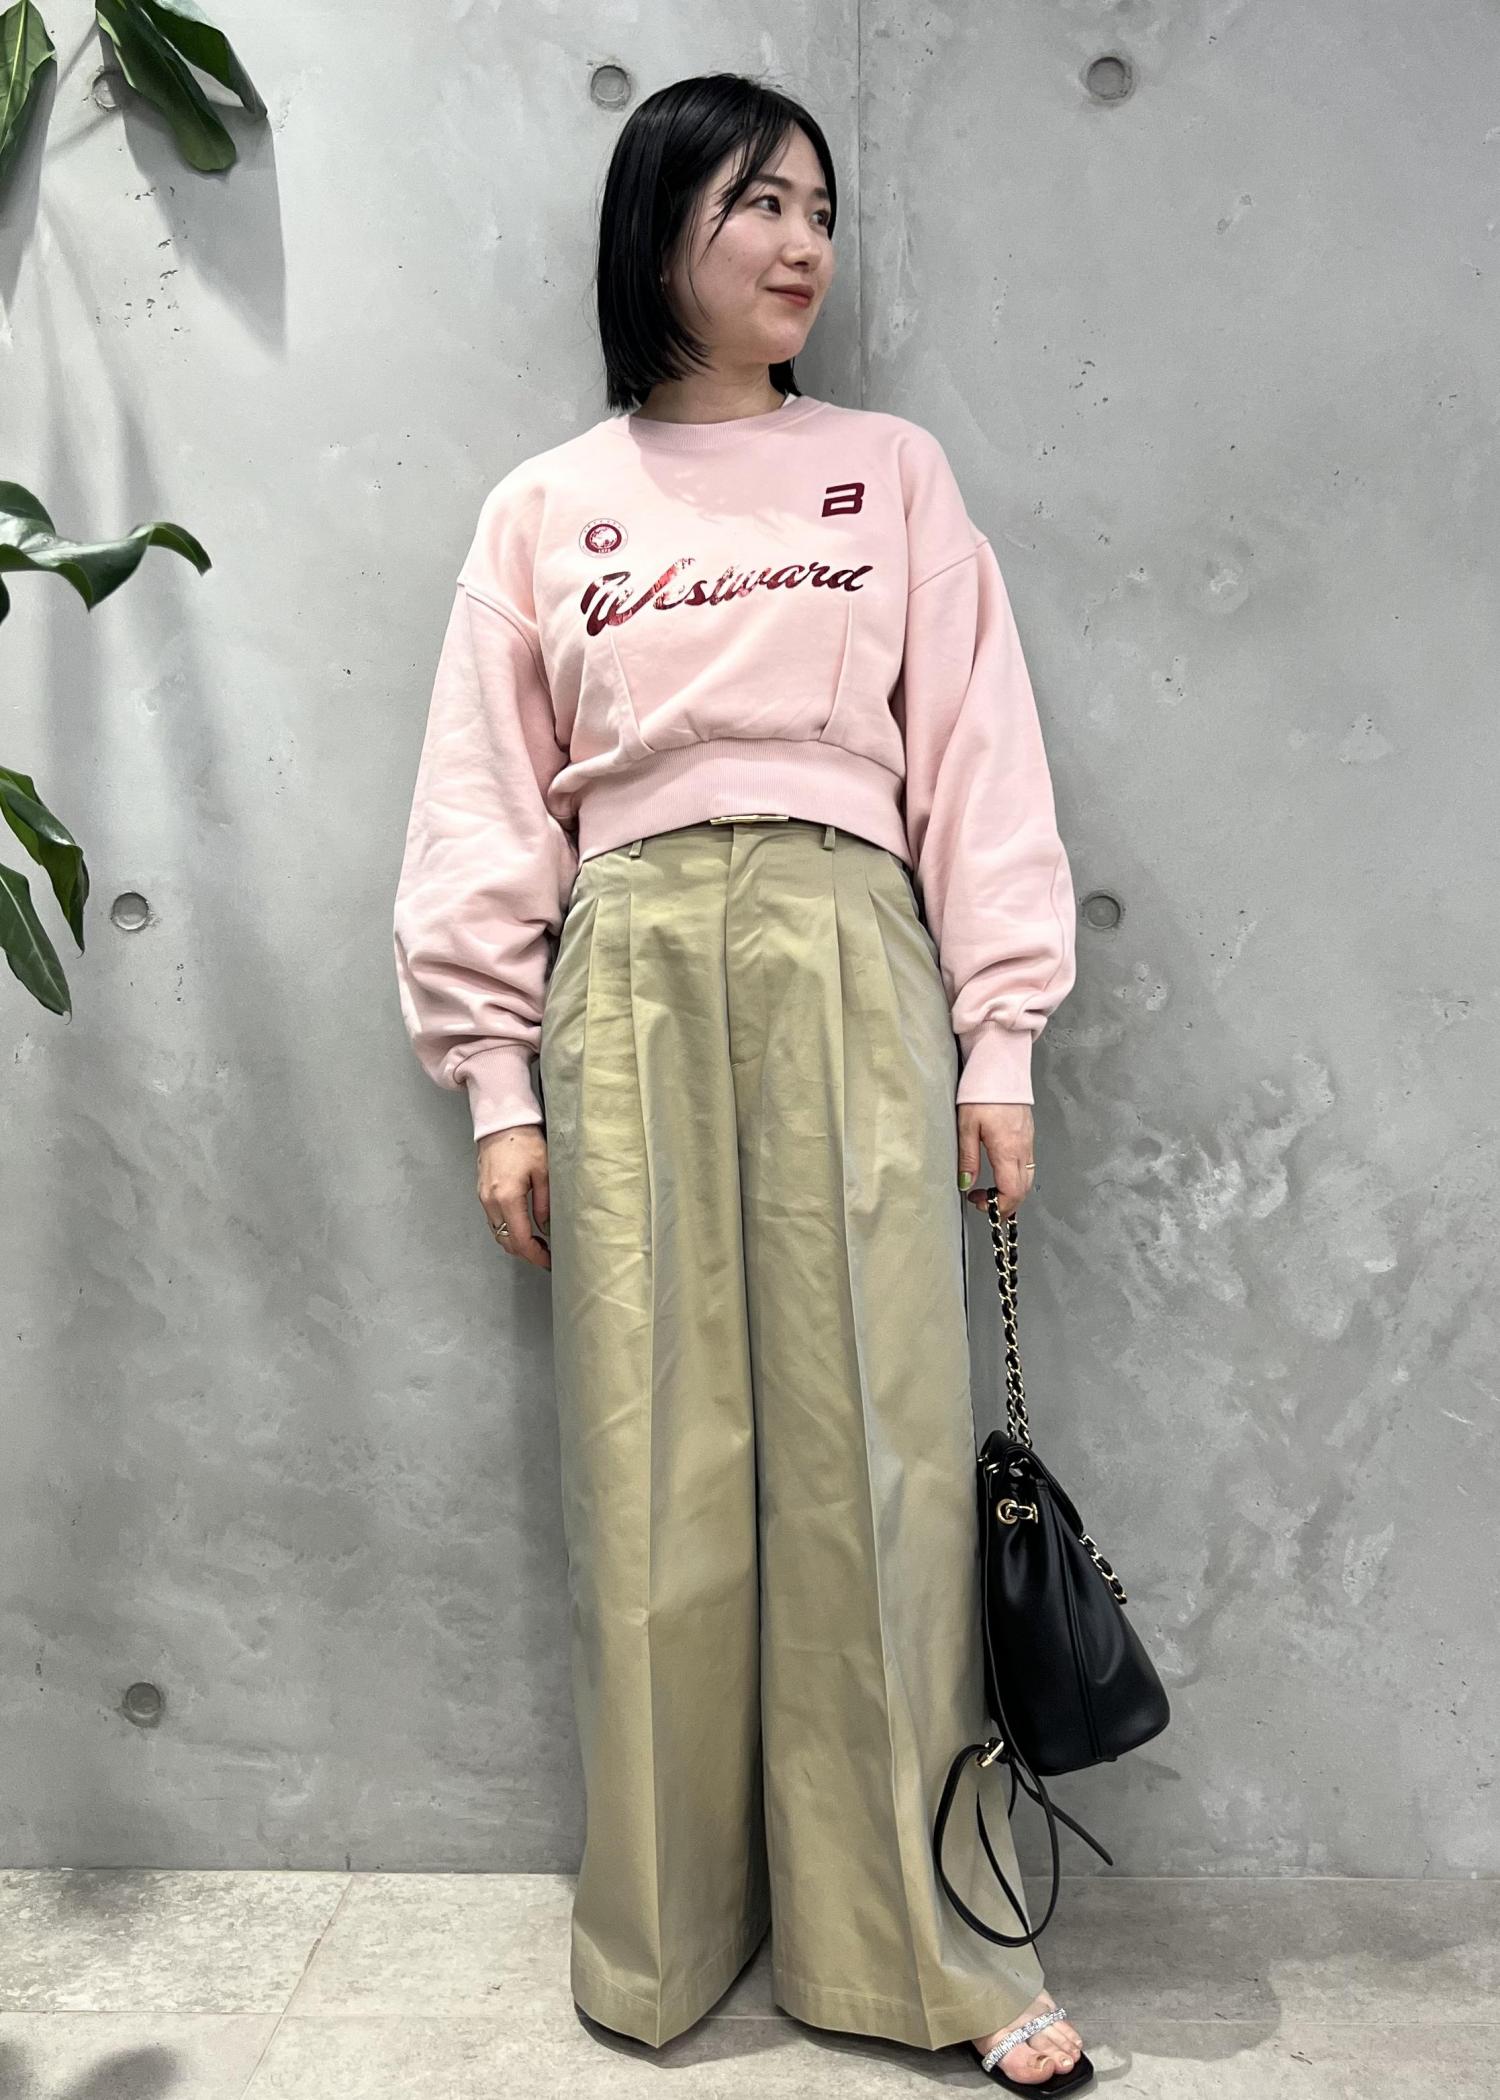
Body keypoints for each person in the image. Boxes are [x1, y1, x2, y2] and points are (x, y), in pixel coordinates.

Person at [393, 69, 1091, 2095]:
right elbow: (481, 805)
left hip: (849, 941)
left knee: (884, 1449)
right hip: (622, 962)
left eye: (819, 208)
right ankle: (665, 1940)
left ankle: (927, 1948)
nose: (802, 245)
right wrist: (495, 1083)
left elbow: (978, 760)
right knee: (649, 1452)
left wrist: (1000, 1037)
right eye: (755, 205)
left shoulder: (888, 474)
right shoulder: (548, 506)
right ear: (658, 231)